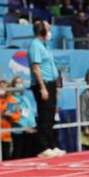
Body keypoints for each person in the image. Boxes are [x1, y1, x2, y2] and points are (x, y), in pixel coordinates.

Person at [27, 20, 66, 158]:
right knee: (44, 115)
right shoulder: (35, 45)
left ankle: (51, 145)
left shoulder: (44, 45)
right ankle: (43, 147)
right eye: (48, 29)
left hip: (51, 83)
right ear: (41, 31)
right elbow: (36, 68)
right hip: (42, 84)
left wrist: (56, 86)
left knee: (50, 116)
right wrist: (43, 88)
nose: (50, 32)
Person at [11, 76, 38, 159]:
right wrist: (24, 128)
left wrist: (33, 125)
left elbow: (30, 112)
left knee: (30, 153)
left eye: (21, 82)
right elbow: (13, 115)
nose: (20, 84)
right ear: (13, 85)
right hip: (19, 131)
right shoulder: (12, 99)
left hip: (31, 129)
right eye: (17, 83)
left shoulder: (25, 97)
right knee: (19, 153)